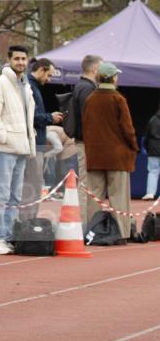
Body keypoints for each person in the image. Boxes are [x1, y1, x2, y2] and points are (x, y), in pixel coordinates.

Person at [0, 44, 36, 255]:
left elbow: (27, 119)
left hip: (22, 147)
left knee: (15, 197)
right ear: (9, 60)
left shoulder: (26, 86)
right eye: (17, 59)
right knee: (2, 195)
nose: (20, 62)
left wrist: (28, 143)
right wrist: (4, 138)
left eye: (24, 58)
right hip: (5, 148)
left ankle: (11, 236)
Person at [82, 62, 138, 239]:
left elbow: (86, 126)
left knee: (94, 197)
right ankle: (121, 233)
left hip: (95, 155)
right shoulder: (118, 98)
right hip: (117, 156)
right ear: (112, 77)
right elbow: (127, 129)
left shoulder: (90, 99)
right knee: (118, 197)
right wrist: (134, 146)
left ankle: (92, 231)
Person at [22, 58, 63, 217]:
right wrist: (49, 118)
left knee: (33, 183)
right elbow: (32, 116)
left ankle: (28, 219)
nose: (49, 79)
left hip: (35, 142)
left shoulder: (31, 86)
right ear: (41, 70)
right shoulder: (31, 87)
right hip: (34, 144)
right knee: (33, 183)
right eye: (49, 75)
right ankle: (28, 221)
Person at [64, 54, 102, 225]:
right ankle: (84, 224)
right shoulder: (87, 89)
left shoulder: (82, 86)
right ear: (95, 69)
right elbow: (90, 118)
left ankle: (85, 222)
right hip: (86, 142)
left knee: (87, 183)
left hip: (84, 140)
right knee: (86, 184)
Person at [143, 105, 160, 200]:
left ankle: (150, 193)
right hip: (153, 149)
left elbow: (147, 136)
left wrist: (147, 148)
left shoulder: (153, 119)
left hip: (153, 150)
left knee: (153, 172)